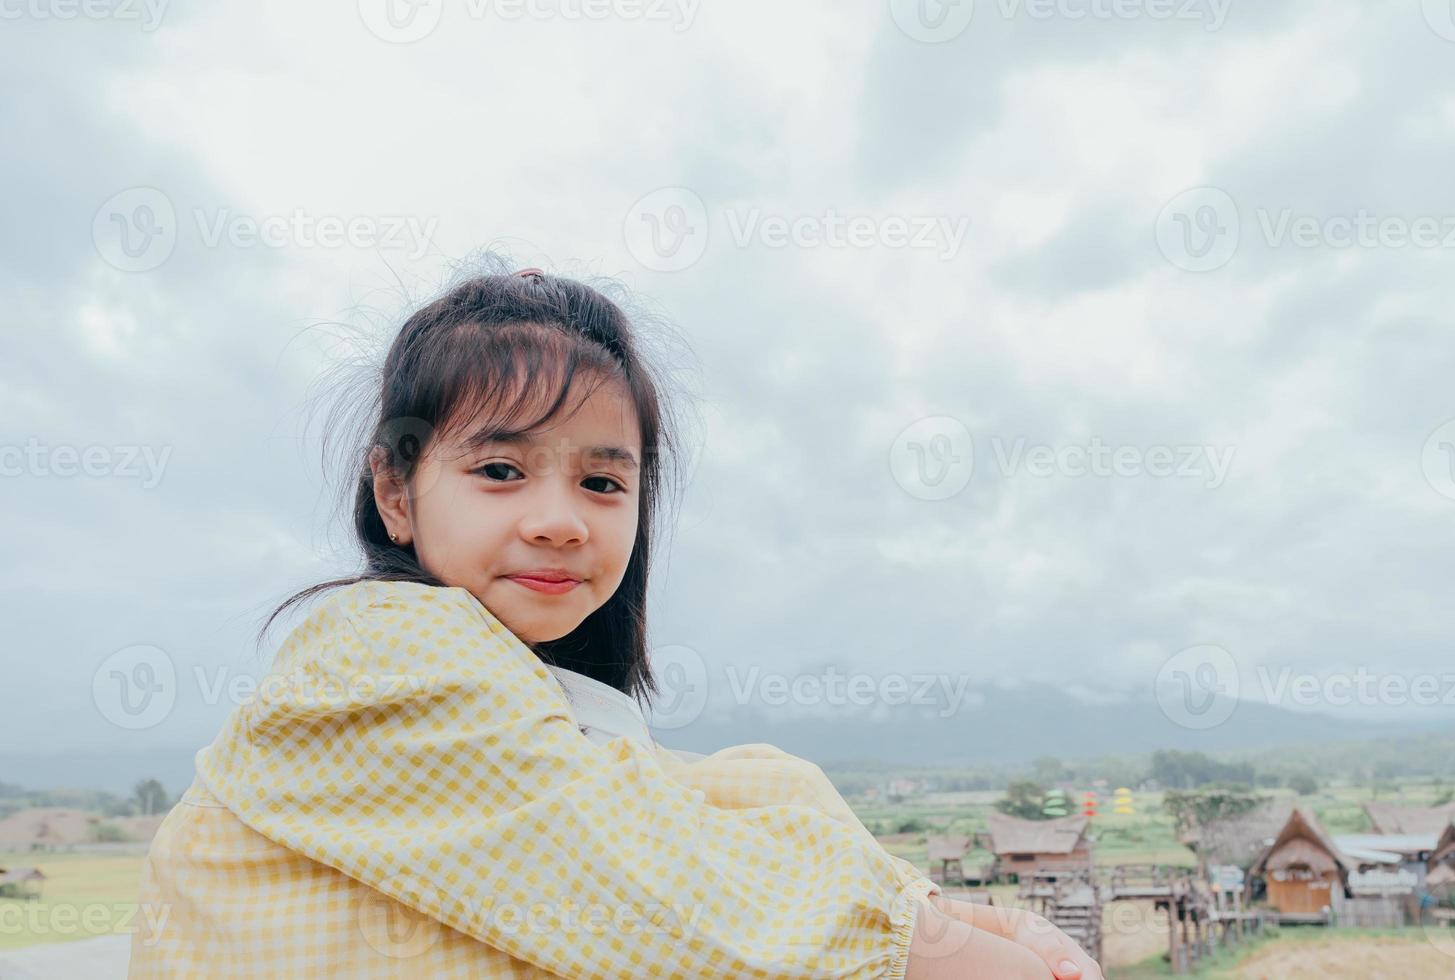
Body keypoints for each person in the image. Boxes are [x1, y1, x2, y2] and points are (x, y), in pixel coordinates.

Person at [129, 261, 1101, 978]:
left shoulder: (525, 697)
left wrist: (935, 904)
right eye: (500, 469)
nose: (558, 518)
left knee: (763, 776)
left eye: (602, 480)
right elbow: (654, 887)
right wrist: (946, 948)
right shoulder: (385, 655)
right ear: (395, 491)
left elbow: (693, 801)